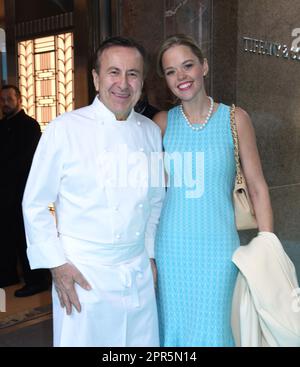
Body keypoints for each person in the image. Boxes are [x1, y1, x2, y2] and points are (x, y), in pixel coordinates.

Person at [22, 37, 165, 347]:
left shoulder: (150, 132)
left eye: (133, 74)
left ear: (142, 81)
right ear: (97, 78)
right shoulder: (64, 129)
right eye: (114, 72)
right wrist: (57, 266)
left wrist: (150, 255)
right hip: (84, 275)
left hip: (137, 272)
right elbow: (34, 203)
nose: (123, 84)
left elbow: (155, 201)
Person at [153, 34, 274, 347]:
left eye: (187, 65)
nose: (181, 76)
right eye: (170, 71)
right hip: (172, 246)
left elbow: (257, 185)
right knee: (175, 331)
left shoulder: (235, 119)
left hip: (219, 246)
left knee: (217, 329)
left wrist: (267, 241)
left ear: (204, 67)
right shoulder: (162, 124)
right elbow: (149, 195)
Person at [0, 85, 49, 296]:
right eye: (1, 100)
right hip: (4, 191)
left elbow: (28, 159)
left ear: (19, 99)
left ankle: (37, 280)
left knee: (25, 237)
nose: (4, 103)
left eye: (8, 99)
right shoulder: (1, 125)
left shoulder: (30, 126)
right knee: (5, 236)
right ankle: (8, 274)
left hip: (23, 190)